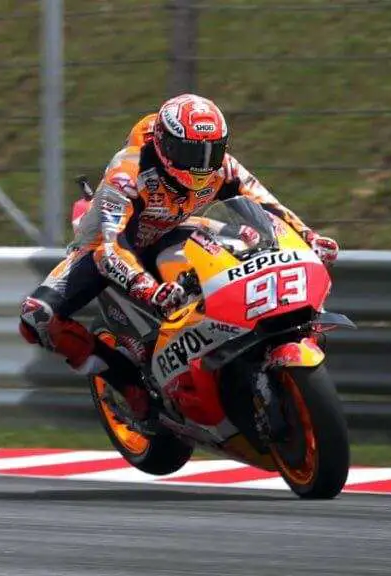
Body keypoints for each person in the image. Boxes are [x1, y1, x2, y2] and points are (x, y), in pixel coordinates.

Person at [19, 93, 339, 423]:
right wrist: (148, 290)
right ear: (164, 144)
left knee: (250, 239)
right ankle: (126, 383)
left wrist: (308, 237)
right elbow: (109, 249)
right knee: (36, 317)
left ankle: (259, 339)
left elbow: (266, 204)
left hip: (170, 231)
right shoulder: (128, 173)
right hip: (107, 248)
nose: (202, 164)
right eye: (190, 152)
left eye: (211, 151)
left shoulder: (221, 166)